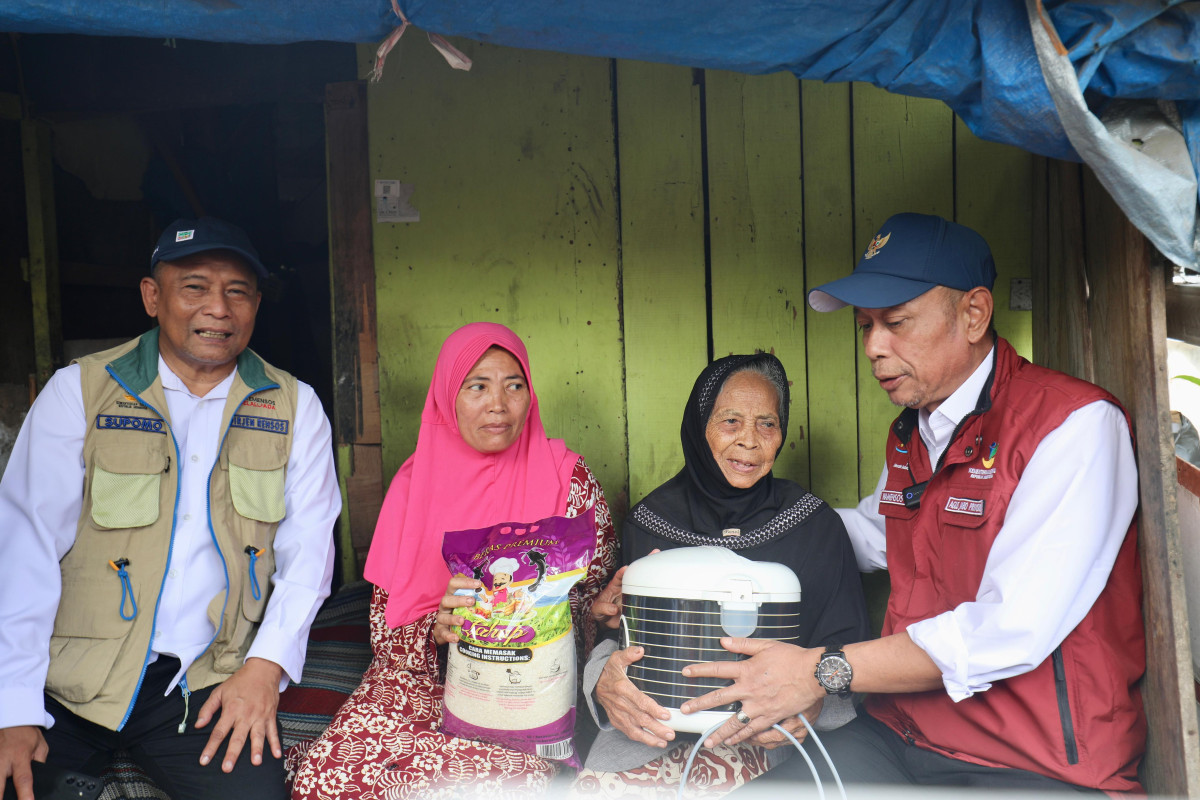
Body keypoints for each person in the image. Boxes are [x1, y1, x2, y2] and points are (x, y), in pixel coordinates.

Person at [684, 213, 1145, 794]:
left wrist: (824, 670)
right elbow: (867, 535)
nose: (875, 347)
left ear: (973, 313)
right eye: (866, 327)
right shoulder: (913, 433)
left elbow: (1010, 628)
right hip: (902, 735)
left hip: (1031, 764)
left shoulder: (1073, 427)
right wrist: (691, 547)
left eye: (897, 322)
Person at [0, 217, 341, 800]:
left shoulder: (294, 406)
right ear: (152, 297)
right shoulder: (79, 391)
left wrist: (264, 669)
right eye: (195, 287)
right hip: (72, 678)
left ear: (257, 304)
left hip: (208, 679)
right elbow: (24, 551)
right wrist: (13, 704)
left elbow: (308, 554)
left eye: (237, 291)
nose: (219, 308)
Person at [289, 322, 618, 799]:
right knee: (327, 775)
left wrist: (592, 612)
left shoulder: (569, 479)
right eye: (477, 386)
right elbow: (384, 632)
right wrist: (433, 631)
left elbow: (590, 604)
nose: (498, 405)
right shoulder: (412, 483)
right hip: (416, 684)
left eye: (514, 385)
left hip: (524, 688)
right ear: (447, 395)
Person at [571, 353, 870, 797]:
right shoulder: (652, 521)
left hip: (770, 742)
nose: (750, 441)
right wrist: (604, 683)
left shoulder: (814, 526)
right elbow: (621, 636)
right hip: (651, 739)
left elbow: (849, 657)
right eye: (731, 421)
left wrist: (811, 701)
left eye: (767, 424)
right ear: (699, 427)